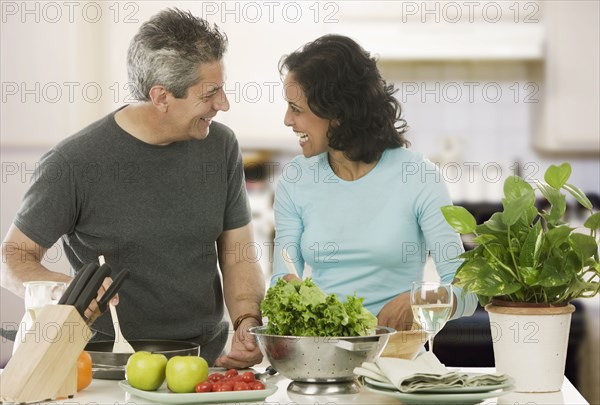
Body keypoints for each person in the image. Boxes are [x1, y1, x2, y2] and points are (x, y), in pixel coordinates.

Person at [0, 8, 264, 368]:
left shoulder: (220, 146)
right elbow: (13, 257)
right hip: (107, 365)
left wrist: (246, 321)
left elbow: (237, 253)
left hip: (206, 362)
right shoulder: (72, 163)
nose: (224, 104)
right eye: (210, 94)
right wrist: (65, 291)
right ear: (161, 97)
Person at [271, 34, 477, 331]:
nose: (287, 120)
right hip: (324, 360)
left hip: (398, 360)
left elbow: (467, 287)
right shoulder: (296, 179)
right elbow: (284, 275)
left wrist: (423, 299)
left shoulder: (418, 175)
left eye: (297, 109)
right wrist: (290, 292)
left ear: (338, 113)